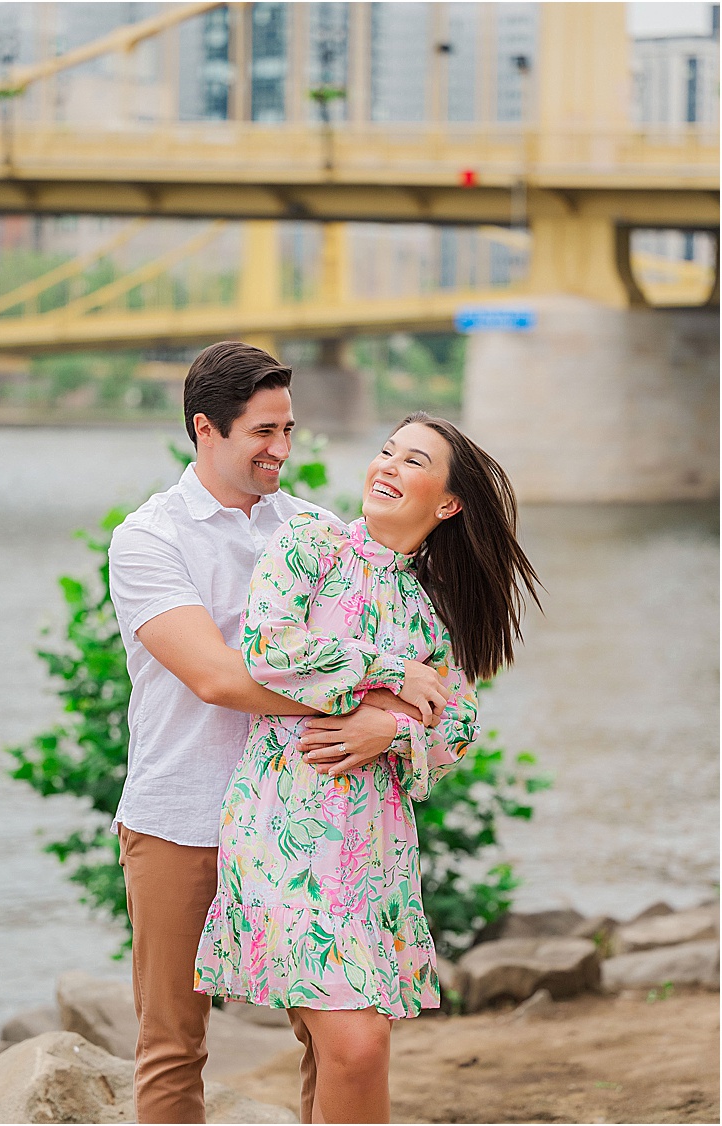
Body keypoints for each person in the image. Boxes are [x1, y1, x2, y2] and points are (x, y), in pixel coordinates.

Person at [107, 341, 423, 1123]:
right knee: (174, 1043)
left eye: (288, 428)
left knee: (331, 1035)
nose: (282, 449)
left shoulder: (322, 532)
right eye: (262, 433)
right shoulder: (149, 539)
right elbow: (214, 678)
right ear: (204, 429)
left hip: (304, 819)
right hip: (182, 814)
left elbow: (421, 669)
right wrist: (370, 708)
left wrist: (392, 721)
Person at [194, 412, 541, 1123]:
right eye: (386, 451)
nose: (386, 466)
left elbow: (461, 723)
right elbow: (269, 648)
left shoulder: (435, 608)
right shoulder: (310, 541)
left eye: (412, 461)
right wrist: (391, 674)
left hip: (375, 847)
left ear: (447, 504)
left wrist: (388, 726)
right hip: (286, 824)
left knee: (364, 1044)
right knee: (353, 1044)